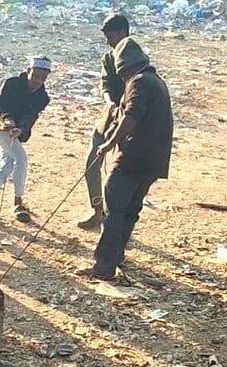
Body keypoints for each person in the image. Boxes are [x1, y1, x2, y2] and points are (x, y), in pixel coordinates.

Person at [81, 38, 173, 280]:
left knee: (115, 211)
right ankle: (117, 256)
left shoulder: (139, 82)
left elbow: (132, 116)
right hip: (153, 162)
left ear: (124, 69)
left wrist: (110, 143)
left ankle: (103, 266)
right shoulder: (157, 82)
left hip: (132, 158)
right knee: (131, 210)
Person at [0, 57, 51, 223]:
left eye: (43, 78)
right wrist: (8, 120)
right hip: (1, 128)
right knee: (21, 159)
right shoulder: (12, 84)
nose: (38, 81)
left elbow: (31, 115)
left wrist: (22, 128)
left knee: (6, 165)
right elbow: (0, 104)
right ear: (28, 71)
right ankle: (18, 202)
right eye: (35, 76)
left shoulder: (43, 97)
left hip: (18, 133)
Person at [77, 13, 130, 231]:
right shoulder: (109, 57)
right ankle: (97, 211)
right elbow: (106, 85)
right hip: (110, 116)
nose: (109, 41)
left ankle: (116, 221)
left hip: (130, 119)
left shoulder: (135, 57)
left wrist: (122, 110)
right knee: (92, 163)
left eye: (112, 36)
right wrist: (110, 104)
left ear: (123, 33)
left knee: (122, 174)